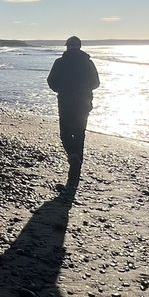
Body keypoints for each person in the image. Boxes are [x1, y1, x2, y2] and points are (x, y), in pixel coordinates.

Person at [46, 36, 100, 187]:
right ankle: (74, 174)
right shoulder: (88, 63)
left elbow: (51, 81)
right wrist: (84, 90)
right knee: (79, 135)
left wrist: (61, 90)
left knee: (65, 133)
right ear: (79, 46)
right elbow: (96, 83)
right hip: (84, 103)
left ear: (67, 46)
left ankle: (72, 156)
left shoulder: (60, 62)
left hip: (65, 102)